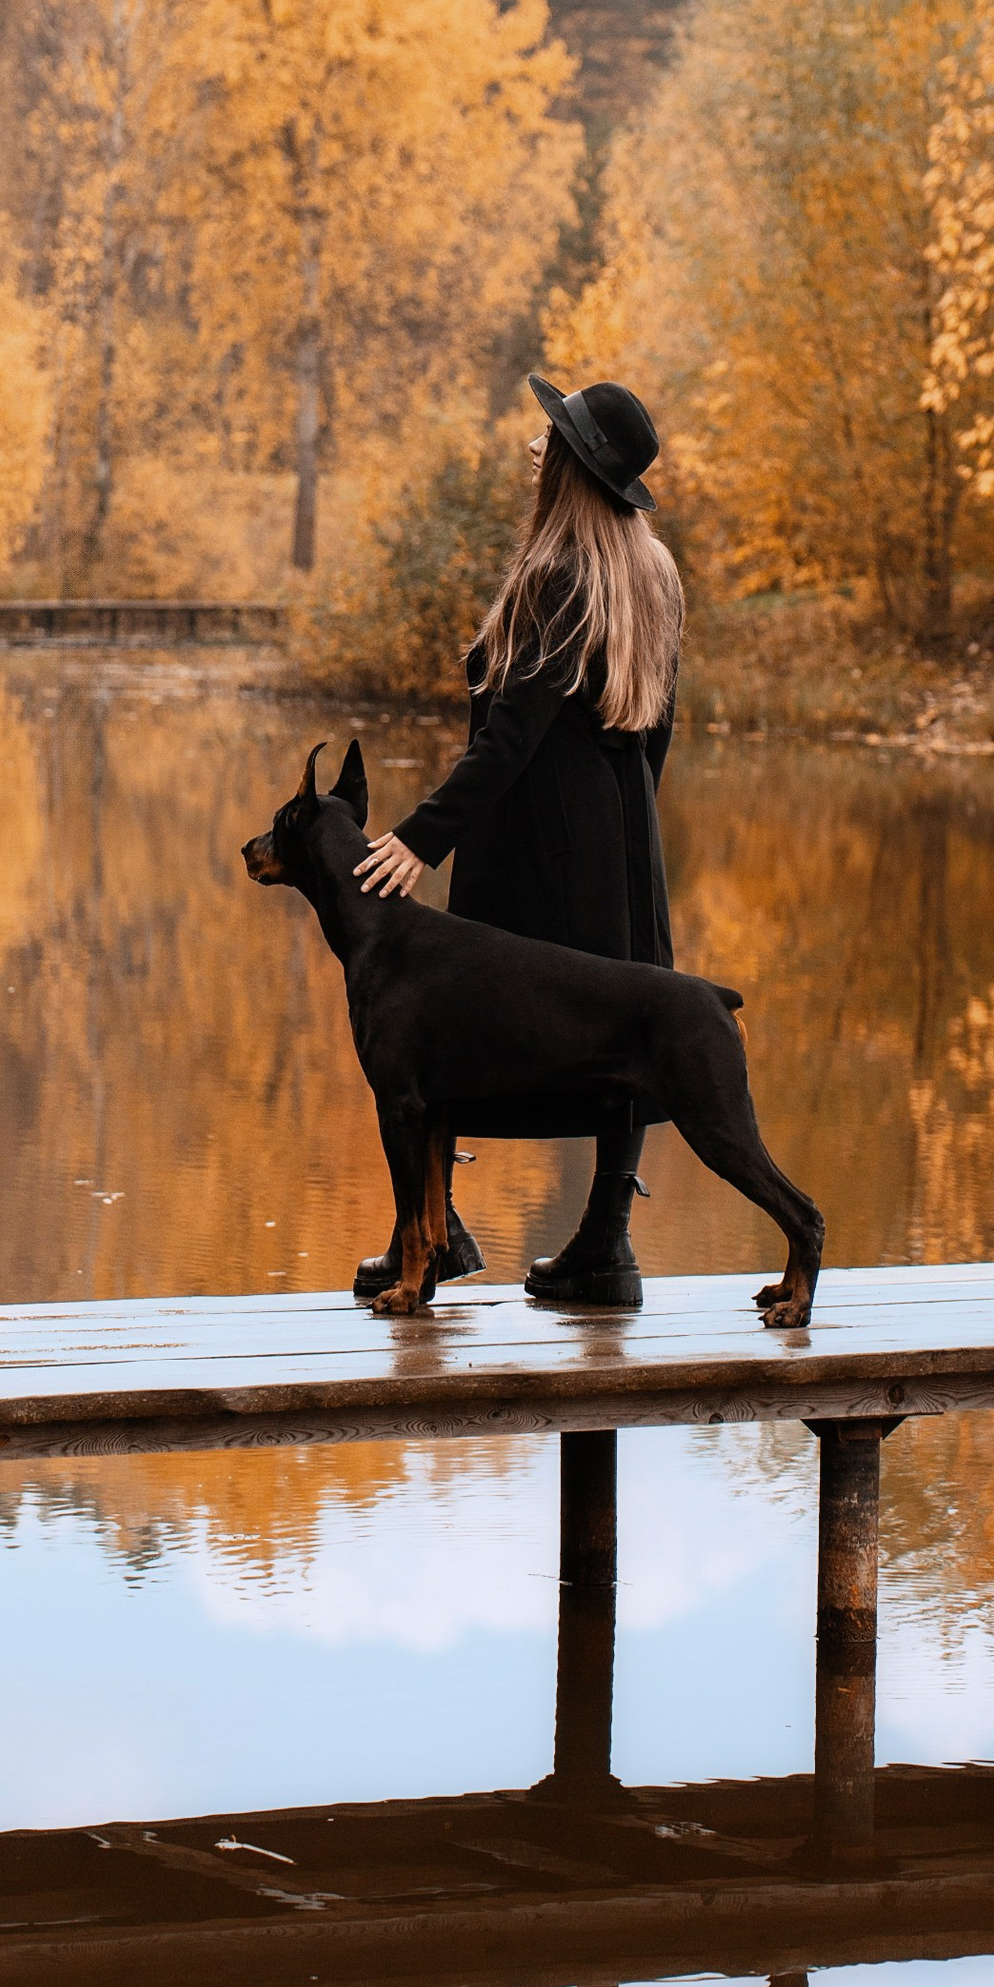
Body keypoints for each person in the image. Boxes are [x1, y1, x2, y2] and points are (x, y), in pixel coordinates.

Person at [351, 375, 683, 1310]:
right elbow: (658, 727)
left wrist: (420, 840)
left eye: (554, 437)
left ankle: (436, 1231)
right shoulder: (652, 573)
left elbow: (509, 739)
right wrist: (630, 834)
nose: (536, 445)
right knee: (630, 1031)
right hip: (621, 843)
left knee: (445, 1020)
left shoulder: (552, 579)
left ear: (573, 469)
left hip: (533, 847)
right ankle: (604, 1250)